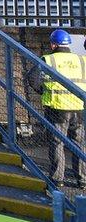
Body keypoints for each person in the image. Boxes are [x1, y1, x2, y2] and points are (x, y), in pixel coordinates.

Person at [31, 29, 86, 187]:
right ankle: (82, 180)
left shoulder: (48, 60)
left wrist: (43, 90)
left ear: (53, 44)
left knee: (57, 143)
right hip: (78, 107)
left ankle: (58, 179)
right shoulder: (81, 60)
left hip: (57, 108)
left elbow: (33, 79)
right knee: (78, 144)